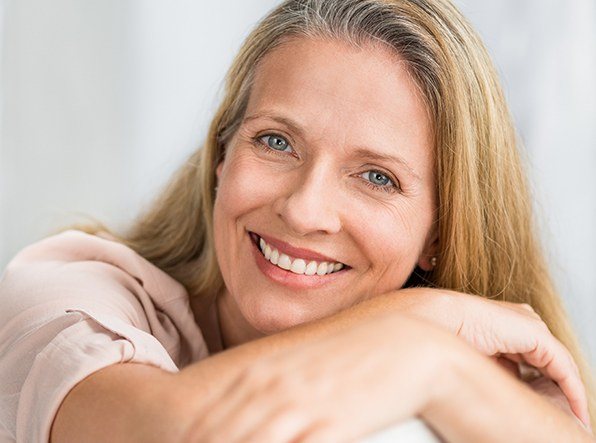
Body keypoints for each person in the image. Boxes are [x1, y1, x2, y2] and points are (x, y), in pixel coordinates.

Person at [0, 0, 594, 441]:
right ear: (221, 157)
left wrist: (429, 361)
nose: (305, 209)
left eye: (377, 177)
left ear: (440, 233)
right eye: (277, 141)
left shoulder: (461, 364)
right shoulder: (61, 298)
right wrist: (415, 339)